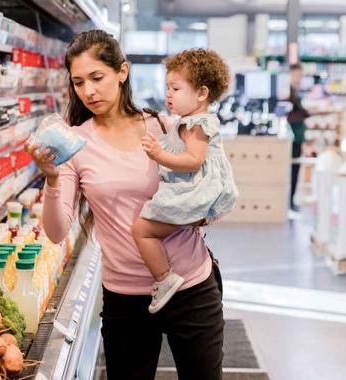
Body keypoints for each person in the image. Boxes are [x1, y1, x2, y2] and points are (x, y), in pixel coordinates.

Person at [25, 30, 226, 380]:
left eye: (97, 78)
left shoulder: (162, 125)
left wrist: (204, 212)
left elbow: (203, 182)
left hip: (190, 285)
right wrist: (52, 179)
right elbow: (57, 233)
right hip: (126, 299)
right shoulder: (76, 144)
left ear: (122, 71)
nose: (88, 91)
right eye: (79, 82)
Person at [132, 49, 238, 314]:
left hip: (196, 191)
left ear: (201, 93)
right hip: (197, 189)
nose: (168, 94)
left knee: (142, 230)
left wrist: (159, 154)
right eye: (167, 87)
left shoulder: (197, 125)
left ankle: (164, 278)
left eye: (176, 88)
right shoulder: (189, 121)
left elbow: (193, 160)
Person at [287, 63, 309, 213]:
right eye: (298, 75)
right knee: (292, 171)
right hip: (292, 139)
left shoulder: (294, 92)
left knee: (295, 170)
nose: (300, 78)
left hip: (297, 138)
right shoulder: (287, 93)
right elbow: (290, 115)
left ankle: (291, 201)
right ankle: (289, 202)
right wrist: (305, 113)